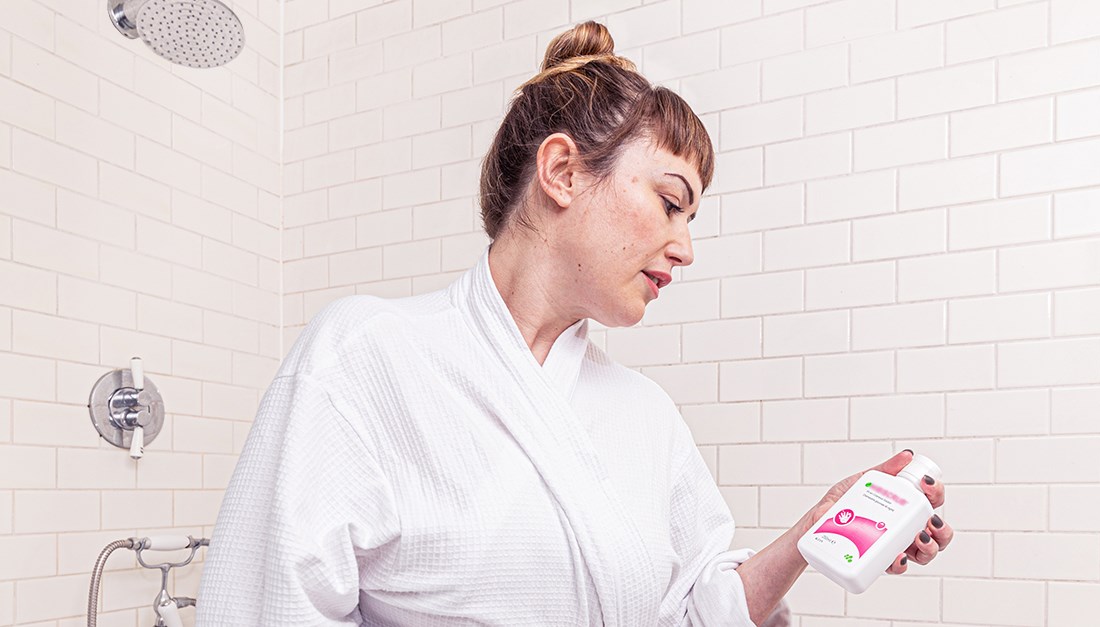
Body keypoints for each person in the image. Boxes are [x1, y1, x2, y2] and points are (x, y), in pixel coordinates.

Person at [196, 21, 954, 626]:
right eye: (668, 201)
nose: (685, 247)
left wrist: (814, 528)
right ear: (562, 172)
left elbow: (694, 612)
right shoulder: (365, 357)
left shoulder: (643, 415)